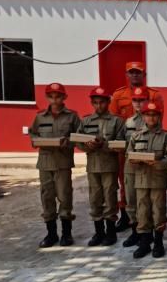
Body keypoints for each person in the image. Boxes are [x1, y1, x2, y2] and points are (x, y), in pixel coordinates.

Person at [109, 61, 163, 231]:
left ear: (144, 74)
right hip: (126, 151)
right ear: (127, 75)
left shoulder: (154, 95)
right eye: (131, 72)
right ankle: (128, 218)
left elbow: (157, 121)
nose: (134, 75)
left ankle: (149, 224)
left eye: (138, 72)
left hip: (148, 149)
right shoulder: (119, 95)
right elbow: (116, 122)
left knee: (148, 189)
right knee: (126, 186)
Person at [29, 83, 82, 248]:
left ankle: (66, 234)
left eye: (58, 96)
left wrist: (69, 142)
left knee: (65, 196)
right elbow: (33, 132)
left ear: (64, 97)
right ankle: (51, 234)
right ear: (47, 97)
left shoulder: (72, 116)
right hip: (45, 163)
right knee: (47, 197)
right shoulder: (40, 117)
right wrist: (35, 141)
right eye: (51, 96)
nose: (55, 99)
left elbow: (80, 135)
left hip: (63, 162)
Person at [78, 87, 125, 246]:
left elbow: (120, 143)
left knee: (110, 198)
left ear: (108, 102)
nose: (99, 106)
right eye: (96, 102)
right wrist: (88, 146)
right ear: (92, 103)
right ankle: (98, 232)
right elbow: (78, 140)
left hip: (109, 165)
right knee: (95, 198)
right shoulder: (85, 121)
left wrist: (102, 144)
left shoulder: (117, 121)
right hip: (92, 165)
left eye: (102, 102)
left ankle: (110, 232)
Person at [127, 101, 167, 259]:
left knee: (158, 211)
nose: (151, 118)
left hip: (158, 180)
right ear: (143, 116)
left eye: (154, 115)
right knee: (142, 211)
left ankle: (158, 243)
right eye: (148, 115)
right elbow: (129, 155)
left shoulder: (166, 136)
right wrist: (134, 160)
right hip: (141, 180)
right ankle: (145, 242)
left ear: (159, 116)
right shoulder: (136, 135)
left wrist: (158, 163)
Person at [120, 87, 149, 248]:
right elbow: (122, 142)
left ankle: (146, 232)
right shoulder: (128, 122)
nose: (138, 103)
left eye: (141, 100)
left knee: (145, 200)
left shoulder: (151, 119)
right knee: (131, 199)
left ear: (147, 101)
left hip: (147, 166)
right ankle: (134, 231)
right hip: (130, 165)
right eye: (135, 100)